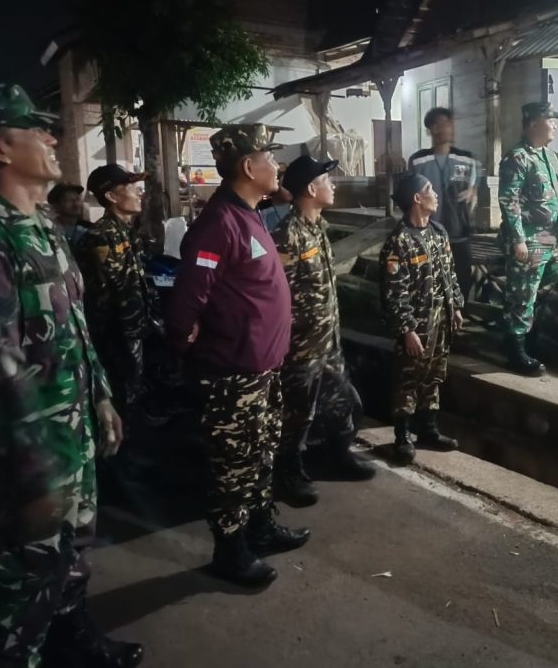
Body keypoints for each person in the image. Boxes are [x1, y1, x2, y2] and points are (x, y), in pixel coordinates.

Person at [0, 83, 142, 667]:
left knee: (72, 552)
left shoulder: (45, 226)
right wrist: (33, 465)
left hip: (71, 430)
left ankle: (69, 636)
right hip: (29, 449)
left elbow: (75, 324)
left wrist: (101, 397)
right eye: (36, 129)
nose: (53, 137)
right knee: (24, 569)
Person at [167, 124, 309, 588]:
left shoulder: (249, 214)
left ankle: (260, 528)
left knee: (261, 453)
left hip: (261, 368)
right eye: (270, 157)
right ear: (249, 166)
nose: (277, 165)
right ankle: (230, 551)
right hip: (233, 373)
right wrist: (189, 351)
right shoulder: (219, 224)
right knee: (234, 464)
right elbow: (188, 300)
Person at [272, 154, 375, 507]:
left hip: (327, 341)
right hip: (300, 346)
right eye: (326, 181)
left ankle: (338, 455)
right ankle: (288, 471)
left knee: (343, 401)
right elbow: (278, 295)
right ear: (311, 189)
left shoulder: (318, 227)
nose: (332, 185)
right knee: (298, 411)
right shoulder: (288, 235)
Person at [380, 173, 464, 463]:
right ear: (417, 198)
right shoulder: (399, 241)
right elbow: (394, 291)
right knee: (408, 378)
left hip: (441, 320)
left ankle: (428, 430)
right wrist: (406, 330)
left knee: (434, 376)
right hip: (417, 326)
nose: (436, 194)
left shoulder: (438, 232)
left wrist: (456, 306)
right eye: (430, 190)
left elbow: (450, 273)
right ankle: (403, 436)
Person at [75, 164, 159, 424]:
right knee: (121, 390)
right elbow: (113, 291)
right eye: (131, 188)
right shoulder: (101, 236)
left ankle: (136, 427)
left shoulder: (125, 231)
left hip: (133, 326)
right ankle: (125, 440)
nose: (139, 193)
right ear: (111, 196)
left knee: (135, 385)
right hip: (117, 332)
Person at [498, 102, 558, 376]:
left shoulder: (550, 156)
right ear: (534, 123)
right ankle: (515, 351)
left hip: (554, 239)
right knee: (522, 295)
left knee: (542, 294)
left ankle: (531, 343)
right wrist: (518, 239)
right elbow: (509, 200)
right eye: (551, 120)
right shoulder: (517, 158)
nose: (555, 125)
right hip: (530, 240)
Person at [408, 107, 481, 304]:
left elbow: (477, 177)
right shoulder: (418, 160)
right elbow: (409, 193)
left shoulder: (466, 159)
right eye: (443, 123)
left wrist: (474, 189)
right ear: (432, 128)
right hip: (427, 234)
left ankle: (459, 315)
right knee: (429, 281)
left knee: (462, 280)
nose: (449, 128)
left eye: (450, 123)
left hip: (459, 231)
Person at [47, 181, 94, 248]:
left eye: (77, 199)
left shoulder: (90, 229)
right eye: (69, 200)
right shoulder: (49, 230)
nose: (76, 204)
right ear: (56, 206)